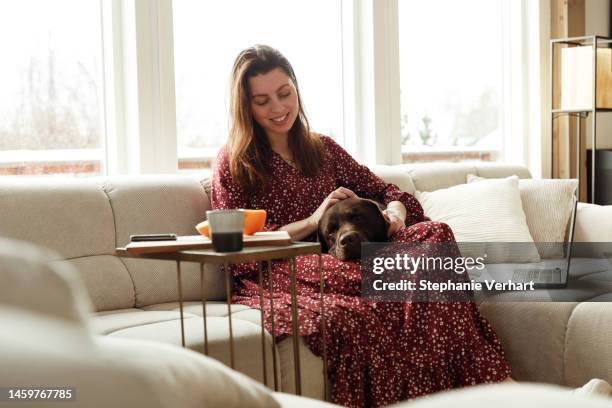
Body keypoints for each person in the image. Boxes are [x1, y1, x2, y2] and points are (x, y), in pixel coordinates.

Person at [211, 44, 512, 407]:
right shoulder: (234, 162)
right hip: (285, 263)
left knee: (436, 236)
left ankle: (455, 391)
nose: (278, 108)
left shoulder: (323, 149)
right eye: (262, 101)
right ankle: (493, 389)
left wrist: (396, 214)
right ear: (245, 107)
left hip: (357, 255)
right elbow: (238, 243)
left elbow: (388, 191)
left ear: (296, 88)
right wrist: (313, 219)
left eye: (285, 93)